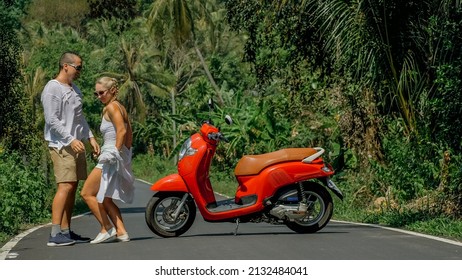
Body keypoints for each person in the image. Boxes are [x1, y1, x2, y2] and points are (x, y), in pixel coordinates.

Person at [41, 51, 100, 247]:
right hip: (61, 145)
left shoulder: (75, 90)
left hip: (76, 144)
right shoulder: (53, 88)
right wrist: (70, 139)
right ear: (66, 66)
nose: (80, 71)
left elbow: (79, 119)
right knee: (64, 186)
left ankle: (65, 231)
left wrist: (90, 137)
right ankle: (55, 233)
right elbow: (52, 119)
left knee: (72, 187)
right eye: (78, 67)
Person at [81, 76, 134, 244]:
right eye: (95, 93)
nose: (98, 96)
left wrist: (114, 153)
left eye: (101, 93)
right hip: (112, 154)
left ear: (112, 91)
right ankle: (121, 232)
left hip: (111, 156)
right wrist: (122, 153)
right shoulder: (118, 107)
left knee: (87, 193)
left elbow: (122, 132)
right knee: (106, 198)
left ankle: (106, 228)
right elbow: (128, 134)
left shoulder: (112, 107)